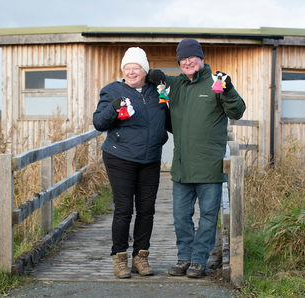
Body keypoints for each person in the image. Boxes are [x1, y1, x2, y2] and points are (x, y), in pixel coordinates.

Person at [149, 39, 246, 278]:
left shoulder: (216, 83)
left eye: (192, 57)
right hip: (182, 166)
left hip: (209, 165)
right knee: (181, 217)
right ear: (179, 63)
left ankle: (199, 260)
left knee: (208, 216)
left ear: (201, 59)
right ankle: (184, 257)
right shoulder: (176, 84)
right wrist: (155, 74)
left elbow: (237, 111)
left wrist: (229, 89)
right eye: (182, 59)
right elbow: (149, 76)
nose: (188, 62)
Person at [93, 47, 171, 279]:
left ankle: (141, 257)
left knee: (147, 210)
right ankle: (120, 257)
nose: (131, 72)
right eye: (127, 68)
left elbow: (170, 119)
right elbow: (99, 122)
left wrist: (164, 87)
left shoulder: (157, 91)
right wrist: (114, 107)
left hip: (150, 158)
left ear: (145, 71)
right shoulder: (112, 90)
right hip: (120, 157)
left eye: (136, 67)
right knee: (124, 209)